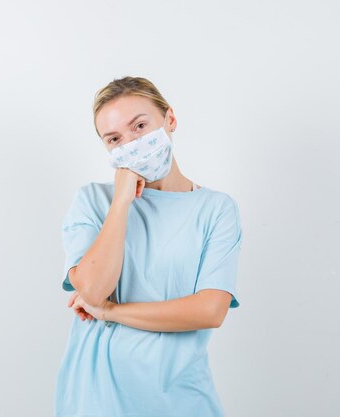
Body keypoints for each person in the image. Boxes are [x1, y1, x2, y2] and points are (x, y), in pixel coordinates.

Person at [54, 76, 243, 417]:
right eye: (115, 139)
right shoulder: (92, 202)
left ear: (169, 119)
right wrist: (122, 201)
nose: (130, 143)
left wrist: (110, 313)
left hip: (182, 400)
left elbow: (209, 311)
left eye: (139, 126)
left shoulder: (216, 209)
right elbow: (94, 290)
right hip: (97, 401)